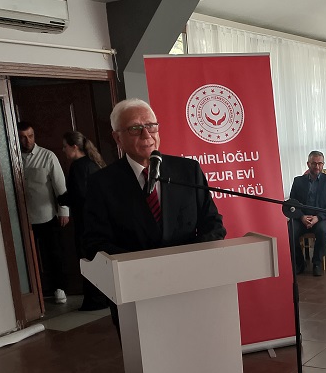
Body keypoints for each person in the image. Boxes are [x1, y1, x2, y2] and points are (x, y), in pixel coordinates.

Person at [84, 98, 226, 329]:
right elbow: (95, 242)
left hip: (190, 284)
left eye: (151, 126)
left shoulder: (187, 171)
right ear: (117, 138)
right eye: (135, 128)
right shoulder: (101, 183)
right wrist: (148, 268)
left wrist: (189, 260)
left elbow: (213, 224)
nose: (146, 134)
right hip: (135, 292)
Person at [18, 121, 70, 305]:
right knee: (27, 256)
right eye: (23, 137)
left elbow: (60, 185)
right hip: (22, 217)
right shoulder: (12, 156)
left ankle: (59, 288)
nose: (27, 141)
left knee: (53, 253)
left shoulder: (47, 156)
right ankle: (32, 293)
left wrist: (64, 211)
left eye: (30, 136)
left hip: (46, 215)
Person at [63, 131, 108, 310]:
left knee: (86, 259)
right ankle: (102, 298)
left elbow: (79, 195)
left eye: (65, 146)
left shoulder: (77, 167)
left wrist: (62, 199)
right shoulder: (93, 164)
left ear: (74, 147)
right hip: (98, 221)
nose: (63, 150)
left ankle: (94, 300)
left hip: (84, 222)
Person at [289, 150, 326, 277]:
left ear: (323, 164)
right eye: (314, 163)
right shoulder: (298, 181)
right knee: (290, 230)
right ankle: (300, 263)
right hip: (302, 218)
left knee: (322, 230)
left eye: (320, 163)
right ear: (308, 164)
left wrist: (318, 217)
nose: (317, 166)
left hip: (322, 218)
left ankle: (317, 263)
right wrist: (301, 216)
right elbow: (292, 203)